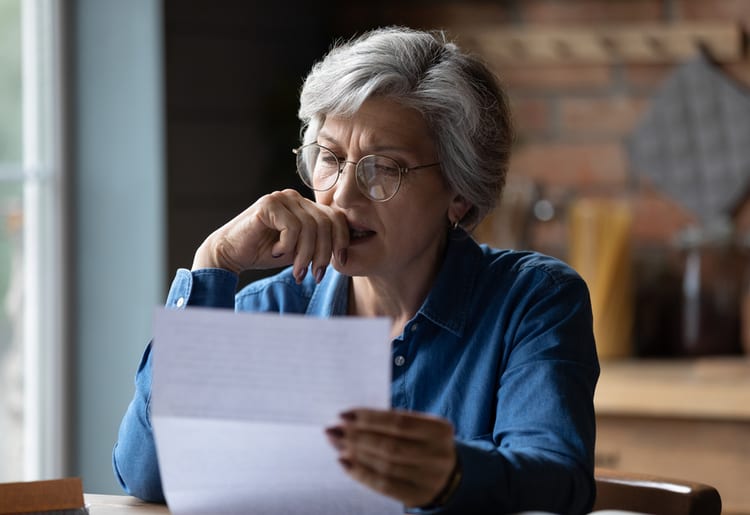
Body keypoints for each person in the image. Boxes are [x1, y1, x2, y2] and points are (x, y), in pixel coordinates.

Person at [113, 26, 599, 514]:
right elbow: (147, 476)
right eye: (329, 158)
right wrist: (213, 262)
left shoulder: (533, 300)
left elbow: (559, 482)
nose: (342, 196)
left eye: (383, 168)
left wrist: (452, 474)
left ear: (460, 190)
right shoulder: (270, 310)